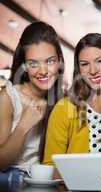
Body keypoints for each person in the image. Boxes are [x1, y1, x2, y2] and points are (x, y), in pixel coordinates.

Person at [43, 33, 101, 177]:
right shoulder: (64, 108)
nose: (93, 71)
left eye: (100, 61)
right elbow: (50, 166)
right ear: (78, 69)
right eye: (85, 64)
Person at [0, 21, 64, 190]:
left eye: (50, 61)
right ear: (24, 67)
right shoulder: (8, 97)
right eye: (33, 63)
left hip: (49, 183)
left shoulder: (64, 100)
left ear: (59, 62)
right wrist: (23, 126)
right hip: (12, 181)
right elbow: (1, 164)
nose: (43, 71)